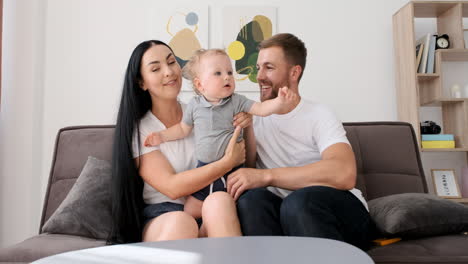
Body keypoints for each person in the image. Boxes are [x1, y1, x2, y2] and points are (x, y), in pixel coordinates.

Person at [227, 33, 374, 250]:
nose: (259, 76)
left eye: (269, 67)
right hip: (285, 214)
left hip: (339, 214)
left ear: (294, 72)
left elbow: (344, 173)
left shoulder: (319, 114)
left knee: (299, 202)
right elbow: (247, 173)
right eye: (258, 68)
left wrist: (267, 176)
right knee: (251, 201)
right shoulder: (253, 119)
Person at [108, 40, 252, 244]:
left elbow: (245, 159)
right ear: (142, 82)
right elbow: (172, 187)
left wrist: (246, 123)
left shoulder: (203, 111)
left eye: (172, 62)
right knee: (182, 222)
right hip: (164, 215)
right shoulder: (141, 129)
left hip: (205, 206)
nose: (168, 72)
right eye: (156, 68)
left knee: (219, 201)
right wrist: (226, 163)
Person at [143, 48, 297, 220]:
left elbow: (261, 109)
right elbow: (182, 129)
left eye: (229, 72)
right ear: (200, 85)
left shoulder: (237, 101)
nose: (227, 77)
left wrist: (279, 102)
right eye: (218, 73)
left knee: (234, 206)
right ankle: (202, 231)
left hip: (234, 172)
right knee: (190, 211)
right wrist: (162, 136)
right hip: (204, 170)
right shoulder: (194, 105)